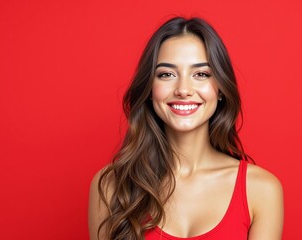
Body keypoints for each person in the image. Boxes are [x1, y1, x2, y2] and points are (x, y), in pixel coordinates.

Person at [88, 17, 284, 240]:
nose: (183, 89)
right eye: (167, 74)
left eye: (201, 74)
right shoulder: (111, 185)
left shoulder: (261, 190)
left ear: (220, 88)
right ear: (150, 89)